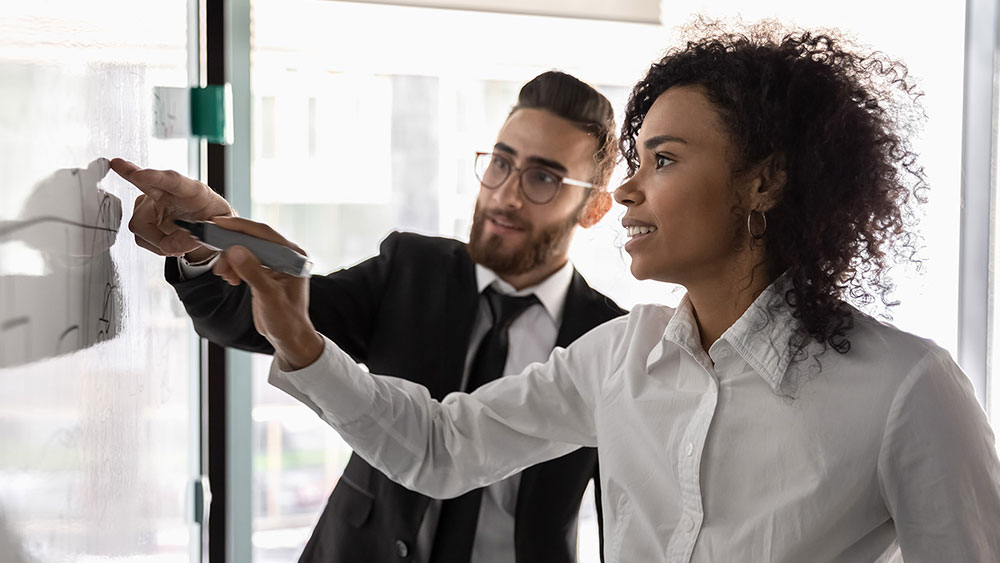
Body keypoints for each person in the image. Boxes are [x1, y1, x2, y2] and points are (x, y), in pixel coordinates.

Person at [172, 21, 1000, 562]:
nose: (632, 191)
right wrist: (299, 338)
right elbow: (438, 447)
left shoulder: (905, 389)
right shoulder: (616, 358)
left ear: (766, 182)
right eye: (635, 162)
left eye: (664, 161)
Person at [114, 71, 625, 562]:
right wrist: (207, 240)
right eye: (500, 163)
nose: (505, 195)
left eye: (542, 178)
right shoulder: (411, 268)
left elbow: (627, 524)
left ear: (594, 208)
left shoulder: (610, 341)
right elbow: (257, 319)